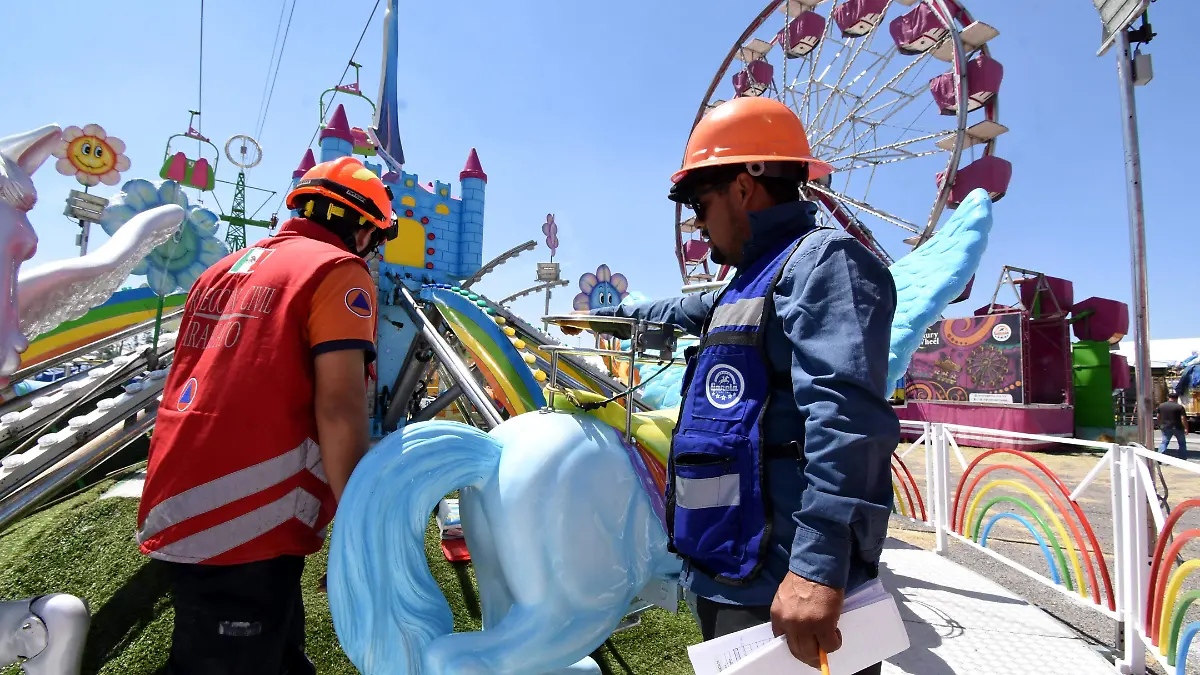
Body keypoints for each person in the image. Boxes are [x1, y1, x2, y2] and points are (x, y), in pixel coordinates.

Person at [575, 97, 899, 673]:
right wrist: (619, 315)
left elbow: (848, 418)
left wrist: (818, 566)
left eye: (701, 204)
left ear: (745, 189)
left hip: (782, 585)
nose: (697, 224)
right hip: (731, 570)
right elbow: (686, 306)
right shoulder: (745, 283)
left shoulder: (825, 262)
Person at [136, 156, 396, 675]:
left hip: (179, 492)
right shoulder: (337, 271)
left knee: (274, 652)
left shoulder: (221, 271)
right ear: (364, 228)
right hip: (247, 512)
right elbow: (340, 406)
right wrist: (359, 522)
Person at [1158, 392, 1189, 458]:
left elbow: (1158, 416)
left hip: (1165, 426)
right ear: (1177, 398)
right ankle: (1182, 457)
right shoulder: (1179, 407)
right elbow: (1183, 418)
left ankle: (1159, 457)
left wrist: (1159, 424)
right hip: (1178, 427)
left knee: (1164, 442)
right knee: (1182, 443)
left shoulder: (1161, 406)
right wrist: (1186, 428)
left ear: (1168, 397)